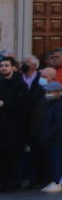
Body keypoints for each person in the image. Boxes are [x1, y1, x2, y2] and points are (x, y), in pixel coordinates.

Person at [0, 56, 27, 191]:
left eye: (6, 65)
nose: (4, 68)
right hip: (2, 126)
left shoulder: (20, 84)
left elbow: (24, 104)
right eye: (2, 66)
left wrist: (5, 104)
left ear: (13, 67)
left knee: (13, 156)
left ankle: (13, 182)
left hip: (15, 126)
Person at [37, 79, 62, 193]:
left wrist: (49, 133)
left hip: (55, 137)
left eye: (50, 92)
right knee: (52, 159)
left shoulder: (59, 104)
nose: (48, 94)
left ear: (58, 92)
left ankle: (57, 181)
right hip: (52, 137)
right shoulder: (53, 104)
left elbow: (60, 123)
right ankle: (54, 180)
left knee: (55, 159)